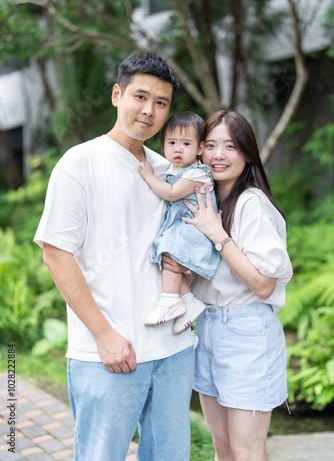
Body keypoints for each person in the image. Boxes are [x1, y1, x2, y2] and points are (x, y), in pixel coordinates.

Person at [34, 52, 195, 461]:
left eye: (161, 103)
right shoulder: (79, 163)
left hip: (172, 351)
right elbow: (56, 254)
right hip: (108, 355)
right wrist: (104, 336)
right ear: (117, 94)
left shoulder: (167, 171)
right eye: (140, 97)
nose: (149, 110)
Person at [164, 110, 293, 461]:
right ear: (199, 150)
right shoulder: (204, 198)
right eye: (210, 145)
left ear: (248, 153)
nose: (218, 155)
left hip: (246, 333)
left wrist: (218, 235)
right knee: (222, 449)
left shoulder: (252, 203)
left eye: (230, 146)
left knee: (247, 451)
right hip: (206, 328)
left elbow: (263, 285)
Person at [138, 111, 221, 334]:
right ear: (163, 147)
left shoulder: (197, 173)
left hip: (194, 228)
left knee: (169, 254)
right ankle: (188, 300)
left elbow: (173, 193)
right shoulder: (175, 170)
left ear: (200, 149)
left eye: (186, 143)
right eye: (172, 142)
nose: (178, 148)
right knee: (169, 258)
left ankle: (169, 300)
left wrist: (149, 177)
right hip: (183, 226)